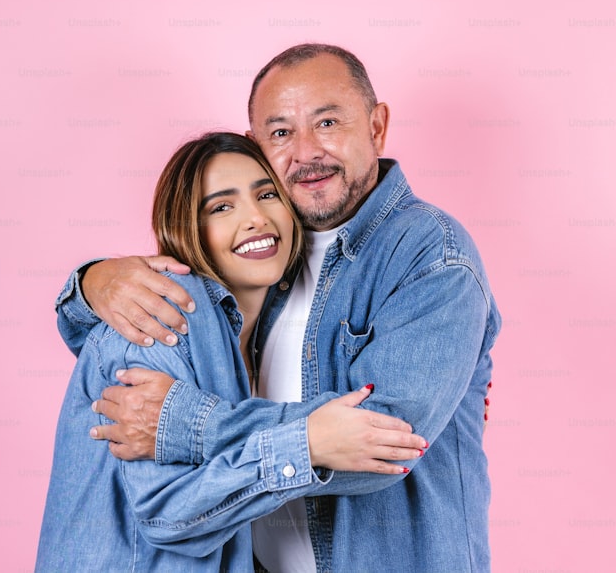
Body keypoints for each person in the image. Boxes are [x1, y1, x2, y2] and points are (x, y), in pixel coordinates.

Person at [57, 44, 501, 571]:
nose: (306, 151)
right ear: (257, 146)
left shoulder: (430, 253)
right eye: (282, 132)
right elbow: (108, 349)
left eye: (328, 122)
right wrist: (90, 284)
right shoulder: (261, 265)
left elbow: (382, 441)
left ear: (377, 127)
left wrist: (186, 422)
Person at [36, 132, 426, 572]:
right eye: (222, 207)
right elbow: (166, 513)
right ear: (186, 228)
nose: (255, 218)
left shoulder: (274, 335)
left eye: (266, 195)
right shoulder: (161, 310)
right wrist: (309, 444)